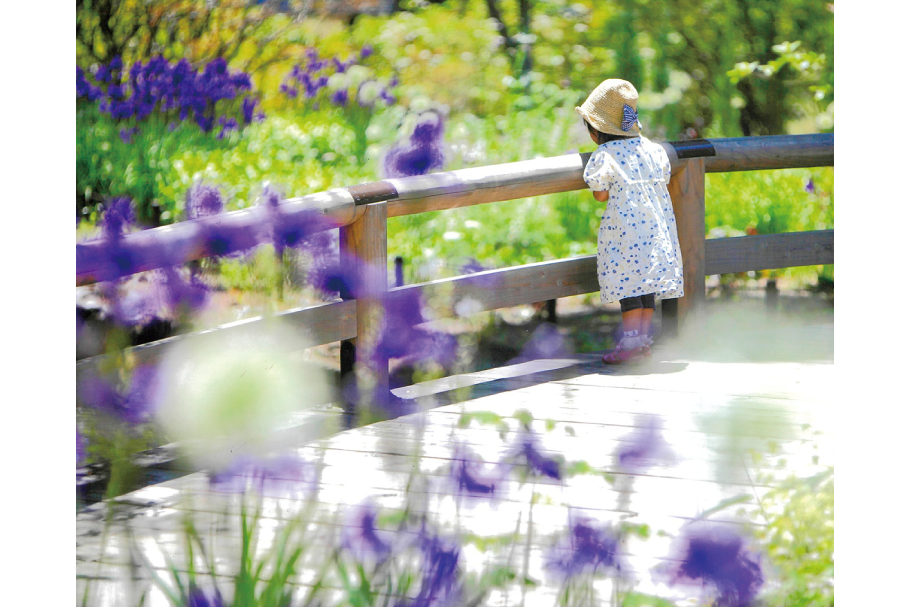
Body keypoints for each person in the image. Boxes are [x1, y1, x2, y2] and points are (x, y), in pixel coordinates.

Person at [575, 79, 684, 364]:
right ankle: (641, 341)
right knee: (646, 285)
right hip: (656, 229)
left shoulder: (605, 155)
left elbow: (600, 194)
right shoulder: (653, 150)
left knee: (628, 288)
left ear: (596, 131)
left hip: (626, 232)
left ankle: (631, 344)